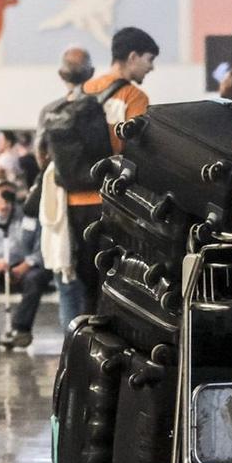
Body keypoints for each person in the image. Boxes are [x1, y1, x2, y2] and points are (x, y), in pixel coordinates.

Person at [38, 46, 98, 326]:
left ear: (61, 74)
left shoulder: (49, 111)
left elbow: (41, 156)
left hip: (60, 206)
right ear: (92, 73)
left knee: (66, 283)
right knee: (94, 286)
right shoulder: (100, 106)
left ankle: (69, 350)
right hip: (97, 206)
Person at [0, 180, 51, 350]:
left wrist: (25, 265)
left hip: (26, 268)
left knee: (37, 278)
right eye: (0, 196)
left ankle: (21, 328)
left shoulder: (30, 221)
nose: (4, 201)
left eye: (8, 196)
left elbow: (41, 248)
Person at [86, 26, 158, 154]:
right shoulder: (135, 96)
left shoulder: (86, 88)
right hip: (112, 170)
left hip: (82, 169)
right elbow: (138, 147)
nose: (152, 67)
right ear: (133, 57)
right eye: (150, 59)